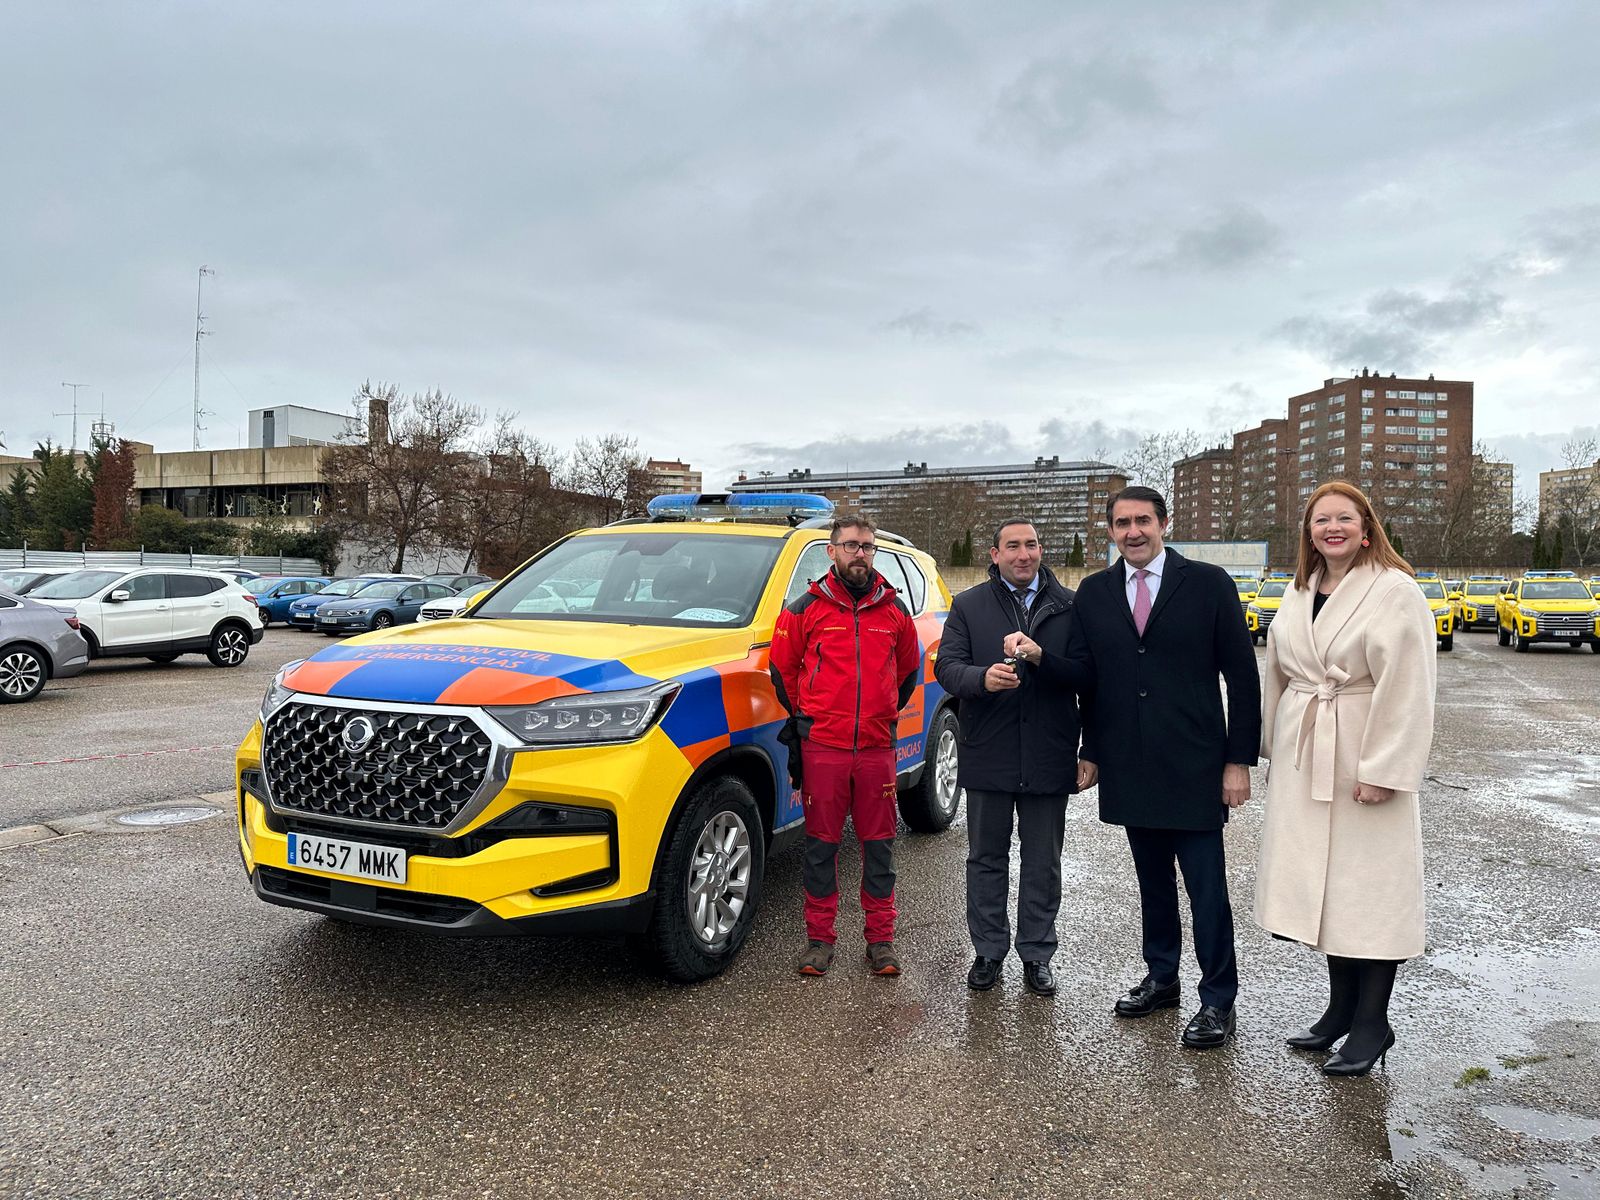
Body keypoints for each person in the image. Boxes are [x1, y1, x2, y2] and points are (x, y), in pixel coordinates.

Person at [1041, 485, 1260, 1049]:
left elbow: (1242, 677)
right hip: (1131, 763)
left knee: (1206, 887)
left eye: (1142, 521)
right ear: (1110, 532)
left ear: (1164, 524)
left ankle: (1217, 1000)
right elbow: (1091, 679)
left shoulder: (1208, 584)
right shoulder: (1095, 592)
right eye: (1121, 523)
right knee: (1152, 884)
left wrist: (1238, 760)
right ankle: (1163, 978)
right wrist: (1090, 747)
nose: (1132, 532)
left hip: (1194, 763)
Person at [1254, 480, 1437, 1077]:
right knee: (1327, 889)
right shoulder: (1300, 588)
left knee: (1371, 891)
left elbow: (1408, 684)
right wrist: (1267, 744)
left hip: (1360, 748)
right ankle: (1338, 1009)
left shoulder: (1395, 590)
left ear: (1366, 528)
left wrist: (1384, 770)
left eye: (1344, 519)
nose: (1331, 529)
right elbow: (1277, 666)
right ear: (1308, 532)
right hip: (1308, 751)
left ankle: (1372, 1022)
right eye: (1319, 520)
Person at [935, 518, 1096, 997]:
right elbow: (947, 667)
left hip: (1050, 752)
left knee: (1043, 861)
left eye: (1030, 545)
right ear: (994, 554)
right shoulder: (969, 605)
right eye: (1012, 547)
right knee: (986, 858)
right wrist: (981, 680)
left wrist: (1090, 749)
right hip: (990, 752)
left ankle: (1037, 954)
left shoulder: (1070, 605)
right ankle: (987, 951)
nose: (1023, 555)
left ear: (1041, 550)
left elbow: (1089, 677)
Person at [770, 513, 922, 978]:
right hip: (825, 749)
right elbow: (783, 670)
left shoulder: (894, 611)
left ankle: (880, 941)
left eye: (867, 547)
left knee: (879, 848)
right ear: (831, 552)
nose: (860, 553)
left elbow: (906, 673)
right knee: (821, 847)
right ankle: (819, 940)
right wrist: (812, 720)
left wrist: (876, 714)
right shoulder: (803, 609)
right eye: (852, 545)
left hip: (876, 748)